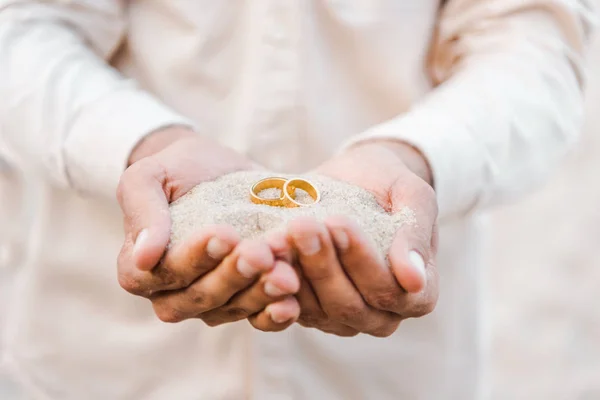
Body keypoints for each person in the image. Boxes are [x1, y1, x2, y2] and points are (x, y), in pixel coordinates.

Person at [0, 0, 594, 399]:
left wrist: (412, 156)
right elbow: (21, 28)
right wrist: (142, 144)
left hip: (387, 369)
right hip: (98, 353)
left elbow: (534, 45)